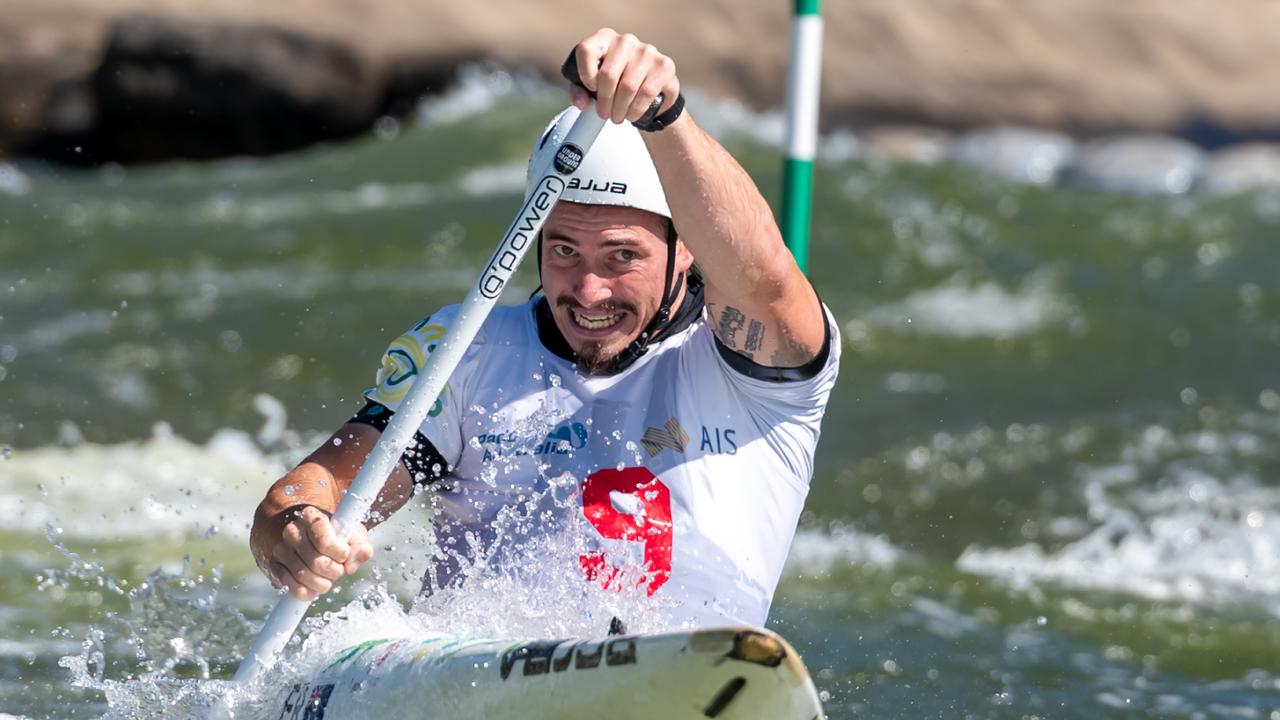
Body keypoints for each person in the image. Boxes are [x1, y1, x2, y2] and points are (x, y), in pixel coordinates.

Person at [249, 28, 840, 628]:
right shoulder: (468, 350)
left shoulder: (754, 365)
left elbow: (763, 274)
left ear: (685, 247)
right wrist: (297, 531)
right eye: (562, 251)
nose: (587, 292)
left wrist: (666, 115)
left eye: (621, 257)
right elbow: (304, 494)